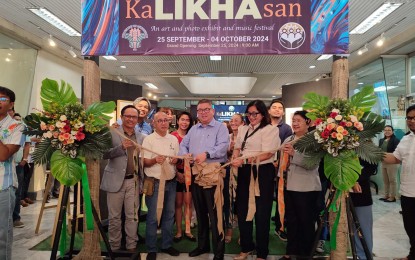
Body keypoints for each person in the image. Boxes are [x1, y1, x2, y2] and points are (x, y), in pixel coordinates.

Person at [179, 99, 229, 260]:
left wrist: (207, 154)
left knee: (215, 216)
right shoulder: (193, 129)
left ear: (213, 111)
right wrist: (184, 154)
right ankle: (202, 246)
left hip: (213, 176)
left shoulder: (221, 128)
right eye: (200, 110)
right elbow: (183, 145)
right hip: (196, 175)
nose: (203, 112)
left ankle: (219, 252)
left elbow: (223, 147)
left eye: (206, 109)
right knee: (200, 213)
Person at [231, 100, 280, 260]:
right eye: (249, 113)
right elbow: (238, 147)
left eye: (255, 113)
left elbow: (268, 154)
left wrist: (244, 160)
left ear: (263, 114)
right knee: (243, 210)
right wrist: (235, 157)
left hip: (262, 173)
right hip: (245, 172)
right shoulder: (243, 128)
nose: (251, 116)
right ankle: (246, 247)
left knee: (262, 214)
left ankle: (261, 252)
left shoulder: (270, 130)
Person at [101, 105, 145, 252]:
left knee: (132, 216)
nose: (131, 119)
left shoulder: (141, 136)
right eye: (128, 116)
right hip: (115, 182)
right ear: (122, 117)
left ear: (138, 119)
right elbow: (103, 154)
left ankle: (131, 245)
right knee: (114, 218)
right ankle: (114, 247)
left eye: (134, 117)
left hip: (133, 181)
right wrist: (121, 148)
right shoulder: (112, 132)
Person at [280, 111, 321, 259]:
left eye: (299, 120)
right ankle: (291, 252)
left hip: (306, 188)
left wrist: (293, 154)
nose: (295, 123)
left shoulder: (314, 140)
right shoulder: (289, 138)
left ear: (308, 122)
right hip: (289, 186)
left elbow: (312, 163)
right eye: (293, 120)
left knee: (306, 223)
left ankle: (305, 254)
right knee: (291, 221)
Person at [142, 112, 180, 260]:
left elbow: (177, 158)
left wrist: (175, 161)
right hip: (155, 182)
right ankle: (151, 248)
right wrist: (154, 160)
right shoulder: (148, 140)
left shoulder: (173, 139)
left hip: (171, 181)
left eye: (166, 120)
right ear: (154, 123)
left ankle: (167, 245)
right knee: (152, 216)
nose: (164, 123)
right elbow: (144, 161)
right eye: (160, 121)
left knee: (169, 215)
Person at [383, 104, 415, 260]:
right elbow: (395, 158)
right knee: (410, 227)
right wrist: (371, 152)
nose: (412, 121)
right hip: (408, 192)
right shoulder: (406, 139)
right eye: (409, 118)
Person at [0, 86, 24, 260]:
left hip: (3, 187)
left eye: (2, 99)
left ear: (11, 104)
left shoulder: (16, 126)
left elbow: (3, 155)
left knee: (2, 234)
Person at [268, 99, 293, 241]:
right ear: (269, 111)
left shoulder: (287, 128)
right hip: (264, 166)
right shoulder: (263, 126)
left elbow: (286, 148)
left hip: (279, 169)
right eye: (274, 107)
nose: (277, 110)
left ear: (283, 112)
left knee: (280, 197)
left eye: (280, 108)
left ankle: (280, 227)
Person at [171, 111, 196, 242]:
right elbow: (170, 158)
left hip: (190, 174)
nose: (184, 122)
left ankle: (188, 230)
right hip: (176, 174)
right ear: (178, 121)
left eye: (187, 120)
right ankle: (179, 231)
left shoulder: (193, 136)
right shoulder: (172, 136)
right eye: (182, 119)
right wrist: (177, 173)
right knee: (178, 203)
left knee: (188, 203)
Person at [350, 157, 378, 260]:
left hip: (361, 193)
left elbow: (372, 166)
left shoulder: (365, 144)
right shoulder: (330, 143)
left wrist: (353, 179)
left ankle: (364, 256)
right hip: (338, 191)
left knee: (363, 228)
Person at [224, 113, 245, 244]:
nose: (233, 123)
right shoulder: (227, 137)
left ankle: (243, 232)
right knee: (228, 202)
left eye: (236, 120)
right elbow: (222, 156)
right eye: (231, 121)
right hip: (228, 173)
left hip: (243, 173)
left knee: (242, 203)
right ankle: (229, 230)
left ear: (243, 123)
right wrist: (229, 150)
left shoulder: (246, 137)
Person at [12, 113, 31, 228]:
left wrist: (24, 159)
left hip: (18, 164)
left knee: (17, 191)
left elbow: (27, 144)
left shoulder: (23, 127)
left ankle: (16, 218)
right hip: (4, 164)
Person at [379, 125, 400, 202]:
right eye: (385, 130)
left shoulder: (396, 140)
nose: (387, 131)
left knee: (392, 180)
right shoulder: (381, 140)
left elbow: (397, 153)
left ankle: (393, 197)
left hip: (392, 163)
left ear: (392, 131)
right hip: (383, 162)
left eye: (389, 130)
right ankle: (386, 195)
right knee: (385, 180)